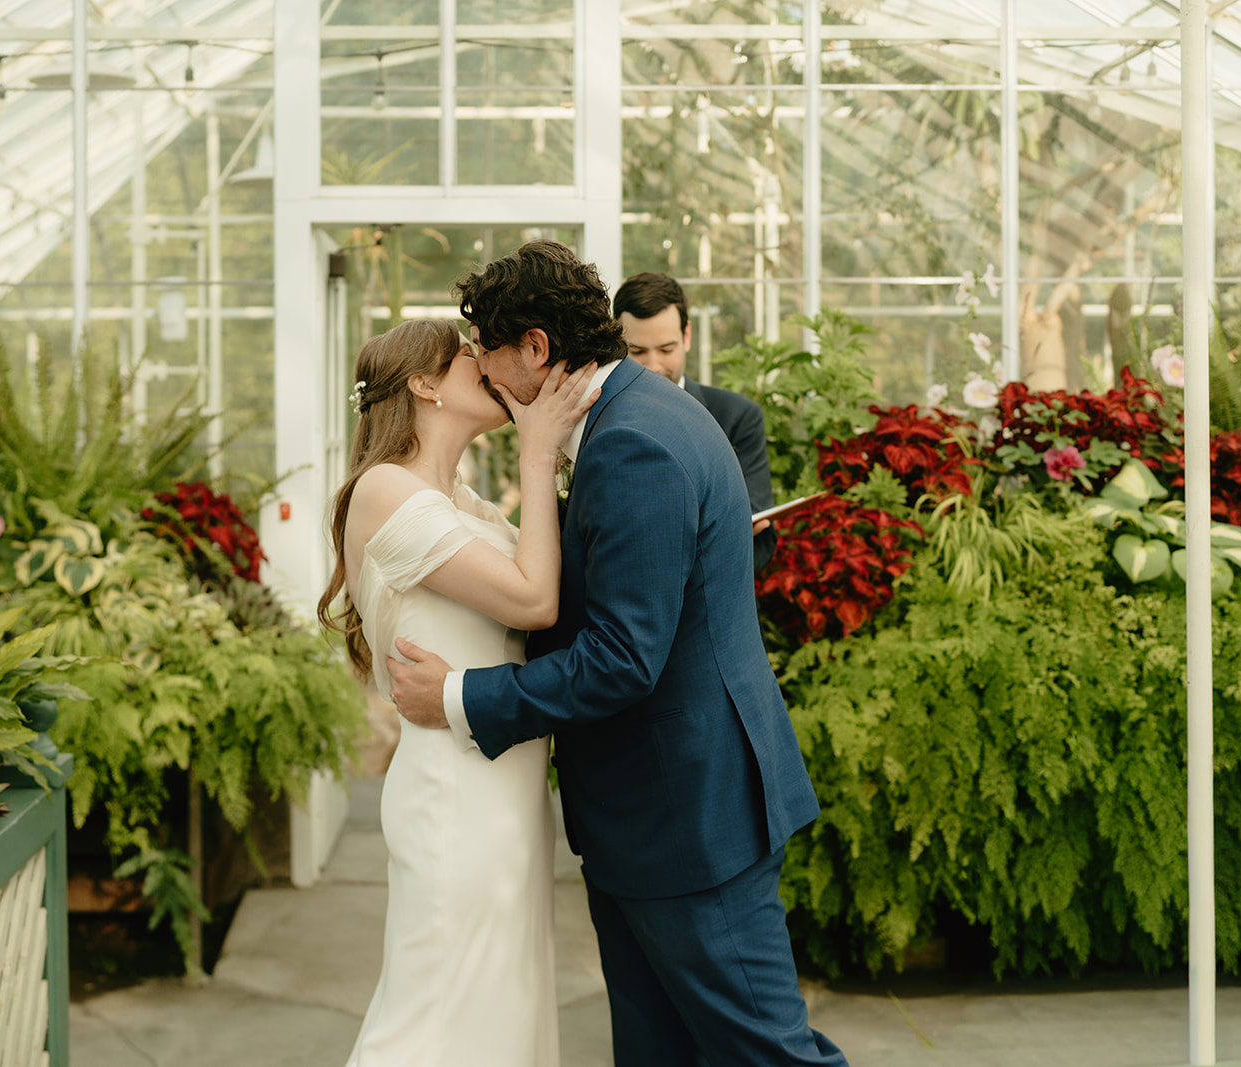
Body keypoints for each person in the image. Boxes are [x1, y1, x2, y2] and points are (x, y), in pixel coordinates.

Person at [388, 241, 847, 1067]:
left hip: (689, 819)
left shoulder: (633, 440)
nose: (484, 375)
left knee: (770, 1056)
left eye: (487, 355)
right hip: (656, 819)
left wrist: (462, 696)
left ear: (533, 349)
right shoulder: (626, 416)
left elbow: (622, 658)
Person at [317, 318, 598, 1067]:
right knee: (434, 1015)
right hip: (451, 796)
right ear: (425, 383)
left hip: (507, 792)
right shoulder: (383, 490)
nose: (487, 366)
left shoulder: (469, 504)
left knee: (503, 1009)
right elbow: (535, 599)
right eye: (468, 357)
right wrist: (538, 453)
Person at [614, 271, 777, 572]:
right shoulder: (596, 417)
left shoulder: (737, 418)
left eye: (666, 349)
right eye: (637, 352)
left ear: (687, 337)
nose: (653, 366)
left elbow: (760, 539)